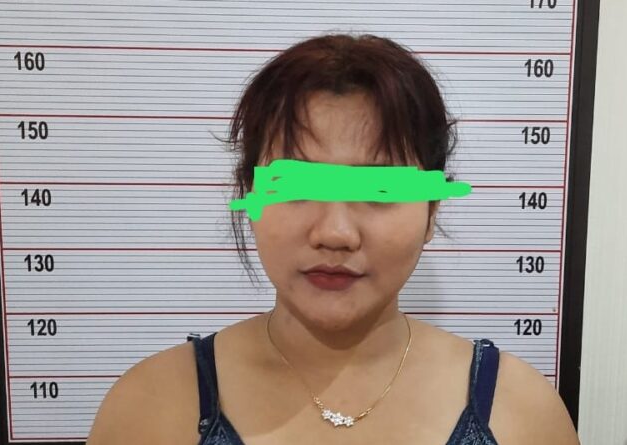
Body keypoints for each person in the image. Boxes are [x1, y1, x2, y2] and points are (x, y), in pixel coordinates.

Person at [87, 33, 580, 445]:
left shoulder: (519, 412)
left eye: (380, 190)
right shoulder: (151, 408)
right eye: (295, 186)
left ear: (432, 211)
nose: (335, 233)